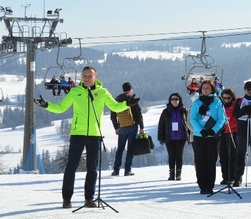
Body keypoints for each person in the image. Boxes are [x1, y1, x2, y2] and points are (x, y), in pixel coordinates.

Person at [34, 66, 138, 209]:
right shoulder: (75, 91)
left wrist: (127, 104)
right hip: (78, 134)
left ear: (95, 77)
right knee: (71, 167)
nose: (87, 78)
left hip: (95, 135)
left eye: (90, 76)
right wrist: (46, 105)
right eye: (84, 76)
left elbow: (115, 107)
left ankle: (89, 199)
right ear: (82, 77)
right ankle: (66, 199)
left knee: (92, 169)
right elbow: (60, 108)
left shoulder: (102, 92)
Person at [190, 79, 225, 194]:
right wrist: (201, 130)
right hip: (199, 136)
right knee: (200, 161)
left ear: (212, 89)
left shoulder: (217, 102)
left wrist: (213, 130)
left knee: (211, 160)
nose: (205, 90)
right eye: (203, 88)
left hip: (212, 137)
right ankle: (202, 186)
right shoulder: (197, 102)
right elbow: (193, 119)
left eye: (207, 88)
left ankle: (210, 186)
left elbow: (221, 119)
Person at [110, 82, 144, 177]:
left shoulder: (117, 99)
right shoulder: (132, 100)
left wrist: (116, 127)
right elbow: (139, 114)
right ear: (130, 90)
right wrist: (141, 127)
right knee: (130, 149)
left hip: (122, 128)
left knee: (120, 149)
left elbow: (113, 116)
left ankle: (116, 170)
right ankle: (127, 170)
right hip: (132, 127)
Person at [157, 92, 192, 181]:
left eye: (176, 99)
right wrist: (160, 137)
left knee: (179, 155)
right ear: (170, 101)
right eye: (172, 99)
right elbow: (161, 124)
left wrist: (190, 136)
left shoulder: (184, 110)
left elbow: (188, 124)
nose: (174, 101)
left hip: (181, 137)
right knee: (171, 155)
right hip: (169, 137)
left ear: (179, 100)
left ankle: (178, 174)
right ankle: (171, 173)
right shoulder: (166, 111)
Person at [218, 88, 237, 185]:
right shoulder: (221, 106)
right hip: (222, 133)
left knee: (232, 156)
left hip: (232, 132)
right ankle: (225, 177)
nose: (226, 100)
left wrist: (229, 126)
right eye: (224, 98)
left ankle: (232, 177)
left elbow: (235, 120)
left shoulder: (234, 106)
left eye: (228, 98)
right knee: (223, 156)